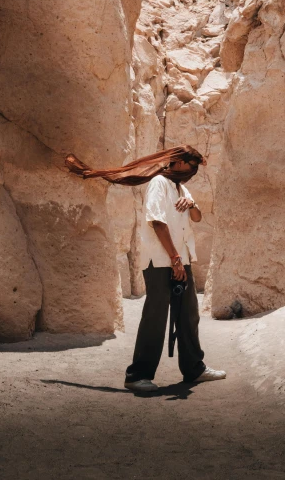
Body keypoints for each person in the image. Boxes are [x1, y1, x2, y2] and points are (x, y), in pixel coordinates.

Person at [64, 145, 226, 393]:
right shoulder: (159, 183)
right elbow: (158, 223)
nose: (193, 172)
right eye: (192, 166)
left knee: (188, 314)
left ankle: (194, 368)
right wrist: (173, 259)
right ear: (180, 163)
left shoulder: (180, 187)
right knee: (156, 316)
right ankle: (137, 375)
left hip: (179, 259)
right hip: (161, 261)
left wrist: (192, 203)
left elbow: (197, 218)